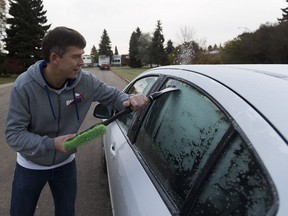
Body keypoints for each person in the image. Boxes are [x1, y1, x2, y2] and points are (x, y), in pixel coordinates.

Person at [5, 26, 148, 216]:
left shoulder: (86, 81)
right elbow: (14, 134)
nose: (82, 62)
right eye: (75, 57)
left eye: (82, 55)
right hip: (31, 165)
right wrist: (51, 144)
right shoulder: (25, 86)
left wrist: (130, 99)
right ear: (55, 58)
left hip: (66, 164)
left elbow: (113, 96)